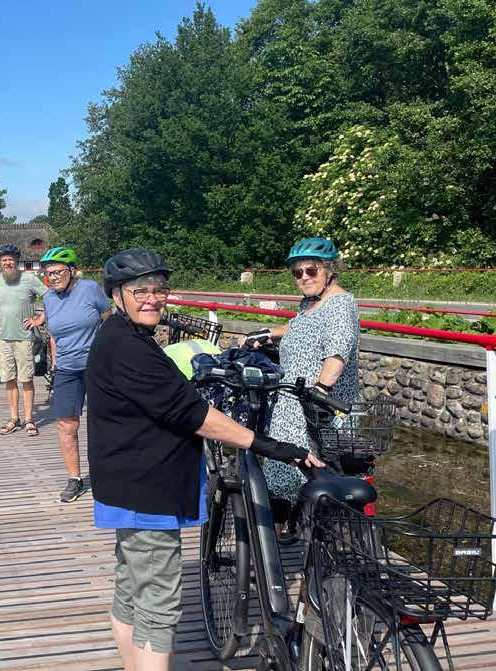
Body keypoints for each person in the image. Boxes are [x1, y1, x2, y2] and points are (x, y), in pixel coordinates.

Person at [87, 248, 321, 669]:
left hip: (125, 486)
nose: (152, 298)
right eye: (140, 290)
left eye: (160, 290)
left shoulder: (118, 335)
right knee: (158, 609)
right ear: (117, 295)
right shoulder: (129, 348)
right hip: (147, 495)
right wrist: (272, 447)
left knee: (130, 593)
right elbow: (192, 414)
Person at [246, 237, 359, 532]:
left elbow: (337, 352)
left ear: (330, 270)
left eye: (311, 270)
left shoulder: (340, 304)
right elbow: (300, 326)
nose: (304, 277)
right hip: (292, 406)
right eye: (298, 272)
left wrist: (320, 391)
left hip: (314, 410)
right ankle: (283, 540)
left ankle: (275, 547)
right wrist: (270, 334)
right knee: (286, 475)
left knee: (285, 476)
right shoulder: (310, 302)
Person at [37, 246, 110, 503]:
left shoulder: (90, 289)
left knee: (104, 420)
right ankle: (75, 479)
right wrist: (55, 363)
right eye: (49, 273)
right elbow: (54, 335)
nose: (54, 277)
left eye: (58, 272)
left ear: (71, 270)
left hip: (97, 366)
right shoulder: (48, 298)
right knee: (67, 424)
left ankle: (109, 472)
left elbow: (108, 318)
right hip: (67, 369)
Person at [0, 243, 48, 437]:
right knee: (9, 379)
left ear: (17, 261)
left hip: (24, 339)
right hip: (3, 340)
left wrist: (39, 319)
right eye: (4, 260)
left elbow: (50, 298)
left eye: (11, 259)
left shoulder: (29, 279)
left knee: (26, 380)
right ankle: (14, 418)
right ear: (0, 263)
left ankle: (29, 419)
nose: (7, 263)